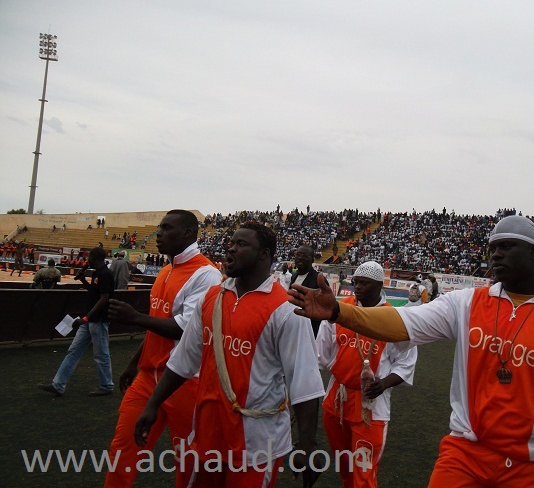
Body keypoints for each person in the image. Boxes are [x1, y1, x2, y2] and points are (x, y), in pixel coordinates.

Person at [289, 215, 534, 488]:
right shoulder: (467, 303)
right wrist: (339, 313)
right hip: (464, 455)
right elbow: (405, 323)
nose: (496, 255)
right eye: (492, 248)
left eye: (507, 247)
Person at [134, 222, 324, 487]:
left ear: (264, 255)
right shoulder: (211, 297)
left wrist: (307, 446)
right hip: (208, 437)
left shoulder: (286, 309)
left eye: (241, 244)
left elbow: (305, 383)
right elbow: (183, 361)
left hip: (257, 444)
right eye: (230, 244)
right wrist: (153, 404)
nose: (230, 250)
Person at [103, 209, 222, 488]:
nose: (159, 233)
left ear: (188, 234)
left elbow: (185, 328)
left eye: (167, 228)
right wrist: (136, 361)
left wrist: (134, 318)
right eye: (159, 228)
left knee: (188, 462)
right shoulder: (167, 270)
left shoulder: (207, 275)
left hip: (186, 381)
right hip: (148, 376)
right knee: (122, 451)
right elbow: (159, 323)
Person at [316, 261, 416, 487]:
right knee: (344, 466)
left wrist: (384, 384)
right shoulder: (339, 310)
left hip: (371, 405)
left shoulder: (394, 317)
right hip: (336, 400)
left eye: (364, 283)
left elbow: (406, 363)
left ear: (380, 285)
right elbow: (320, 354)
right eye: (356, 282)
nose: (358, 287)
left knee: (364, 471)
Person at [37, 246, 115, 396]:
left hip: (97, 320)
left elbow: (104, 298)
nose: (87, 261)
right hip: (88, 320)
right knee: (73, 351)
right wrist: (83, 280)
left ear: (94, 258)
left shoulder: (105, 274)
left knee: (101, 354)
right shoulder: (97, 273)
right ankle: (58, 385)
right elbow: (95, 293)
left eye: (89, 258)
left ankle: (106, 386)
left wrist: (86, 318)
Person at [290, 244, 324, 337]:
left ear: (312, 260)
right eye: (298, 254)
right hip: (292, 328)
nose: (300, 258)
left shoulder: (319, 279)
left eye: (305, 256)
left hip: (309, 331)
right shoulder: (294, 276)